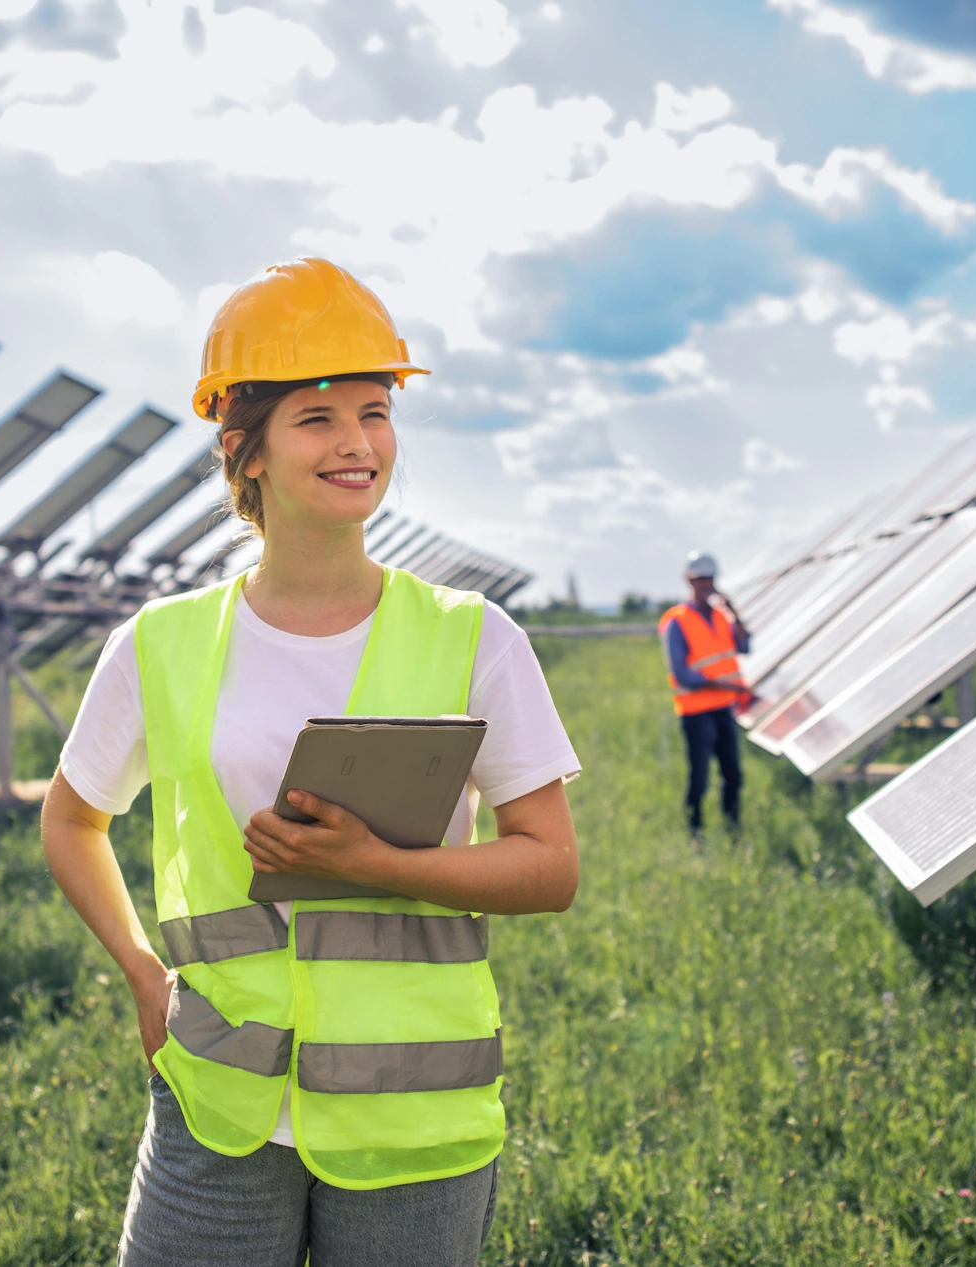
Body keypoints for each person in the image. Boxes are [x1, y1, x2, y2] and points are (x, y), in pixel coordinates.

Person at [40, 256, 582, 1267]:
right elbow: (71, 819)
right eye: (317, 418)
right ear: (243, 451)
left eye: (375, 412)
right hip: (219, 1094)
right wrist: (139, 972)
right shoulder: (158, 644)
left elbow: (550, 866)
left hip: (411, 1119)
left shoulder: (477, 638)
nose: (358, 443)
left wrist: (382, 865)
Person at [658, 552, 750, 850]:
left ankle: (733, 829)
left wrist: (734, 611)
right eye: (699, 579)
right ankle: (695, 834)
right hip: (696, 712)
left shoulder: (723, 617)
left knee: (733, 774)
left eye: (709, 579)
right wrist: (716, 682)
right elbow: (681, 672)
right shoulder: (677, 621)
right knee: (700, 777)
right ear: (689, 580)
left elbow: (744, 645)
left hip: (723, 708)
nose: (705, 584)